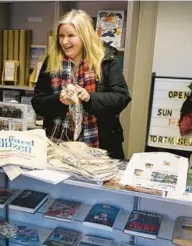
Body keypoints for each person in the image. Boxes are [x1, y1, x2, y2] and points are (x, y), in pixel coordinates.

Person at [31, 10, 131, 159]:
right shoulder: (51, 61)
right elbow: (37, 103)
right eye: (61, 36)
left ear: (84, 36)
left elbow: (121, 98)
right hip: (58, 147)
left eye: (71, 35)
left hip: (99, 148)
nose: (64, 41)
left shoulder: (106, 60)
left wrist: (90, 98)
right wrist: (59, 100)